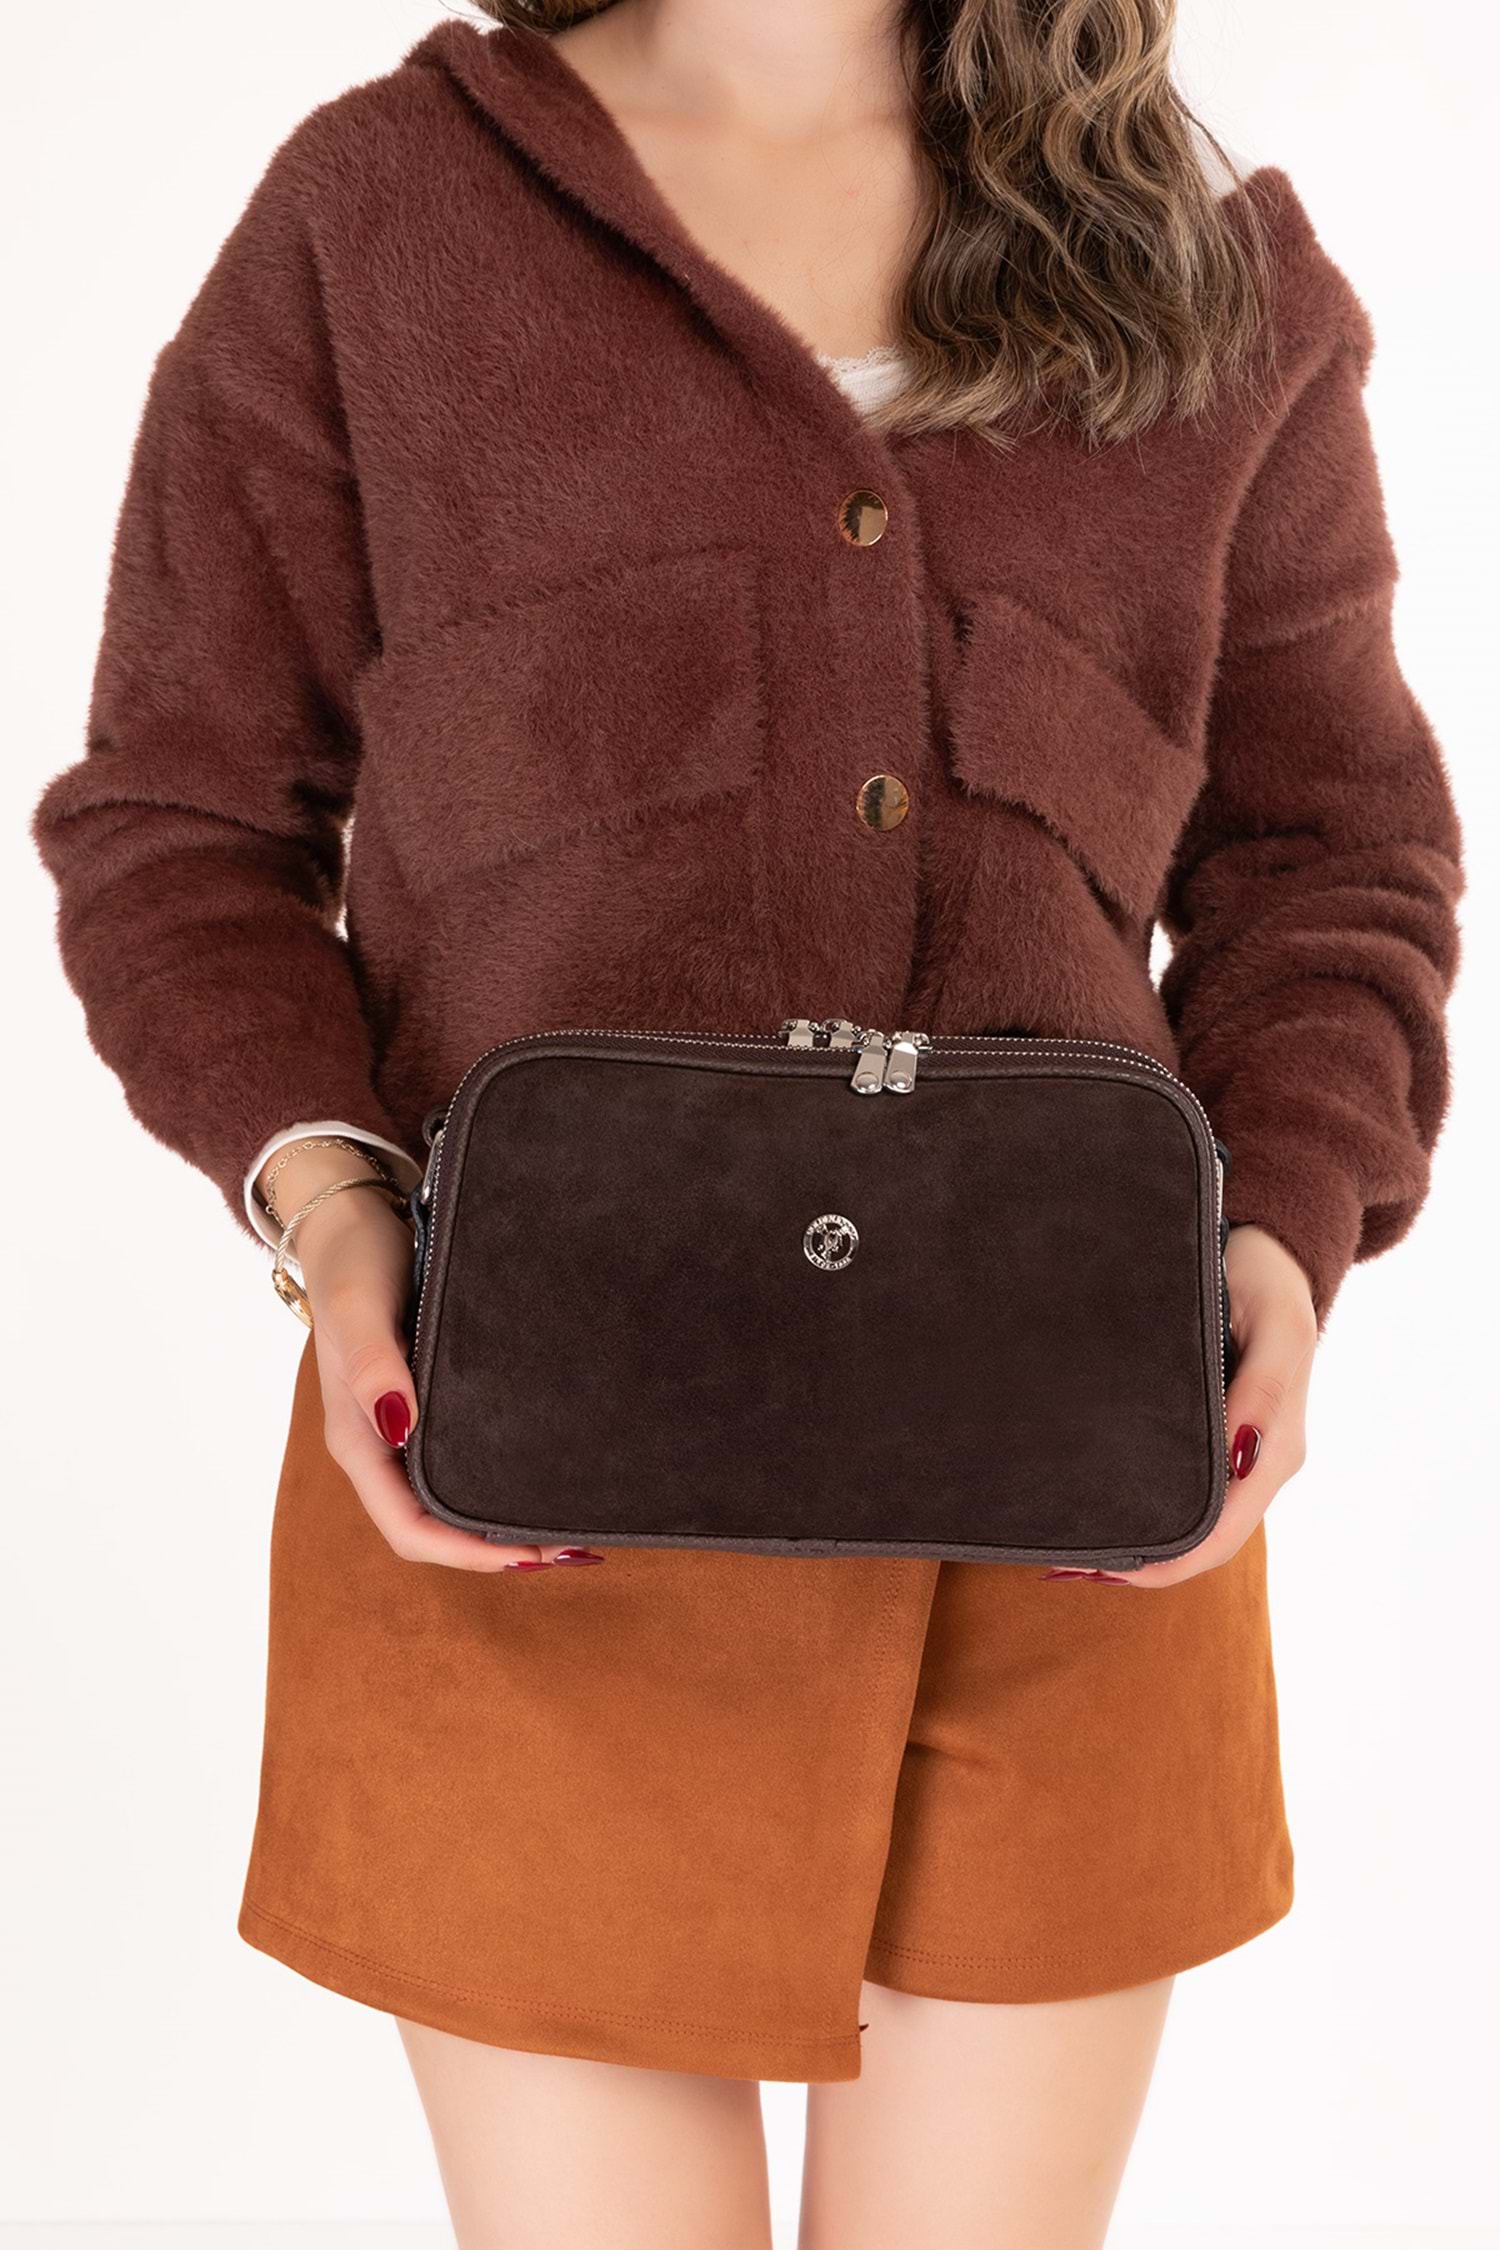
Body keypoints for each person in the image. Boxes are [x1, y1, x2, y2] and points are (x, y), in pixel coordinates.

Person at [32, 2, 1462, 2244]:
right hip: (527, 1511)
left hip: (1068, 1513)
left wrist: (1281, 1232)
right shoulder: (382, 217)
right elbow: (181, 825)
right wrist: (330, 1206)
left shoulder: (1208, 269)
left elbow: (1333, 864)